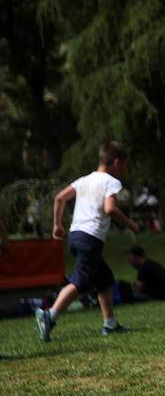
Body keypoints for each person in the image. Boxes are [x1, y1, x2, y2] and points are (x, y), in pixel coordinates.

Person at [35, 141, 140, 340]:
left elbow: (59, 198)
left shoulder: (84, 180)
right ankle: (49, 315)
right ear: (116, 163)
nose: (125, 170)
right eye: (125, 165)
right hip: (90, 237)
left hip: (75, 235)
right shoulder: (111, 182)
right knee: (81, 280)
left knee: (104, 278)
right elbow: (110, 209)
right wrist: (131, 224)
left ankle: (110, 324)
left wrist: (57, 225)